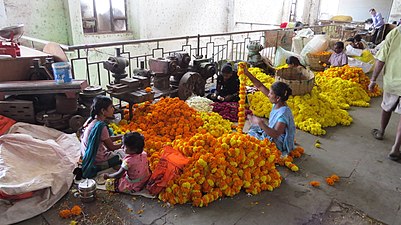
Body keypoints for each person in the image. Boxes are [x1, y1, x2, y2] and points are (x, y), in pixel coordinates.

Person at [243, 66, 296, 155]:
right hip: (272, 133)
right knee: (253, 129)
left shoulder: (282, 115)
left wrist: (261, 123)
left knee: (251, 137)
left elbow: (276, 134)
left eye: (271, 93)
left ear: (278, 97)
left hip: (277, 142)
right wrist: (247, 73)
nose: (268, 95)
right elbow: (259, 86)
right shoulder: (277, 102)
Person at [369, 26, 401, 161]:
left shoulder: (395, 32)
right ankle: (396, 147)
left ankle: (381, 132)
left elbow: (381, 59)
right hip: (393, 81)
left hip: (392, 81)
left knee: (386, 107)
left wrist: (373, 79)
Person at [80, 95, 123, 178]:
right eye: (111, 107)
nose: (113, 109)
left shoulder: (92, 119)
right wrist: (124, 144)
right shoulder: (101, 126)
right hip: (95, 159)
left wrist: (121, 137)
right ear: (103, 111)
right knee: (120, 156)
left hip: (85, 153)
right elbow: (111, 147)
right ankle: (100, 166)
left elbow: (106, 139)